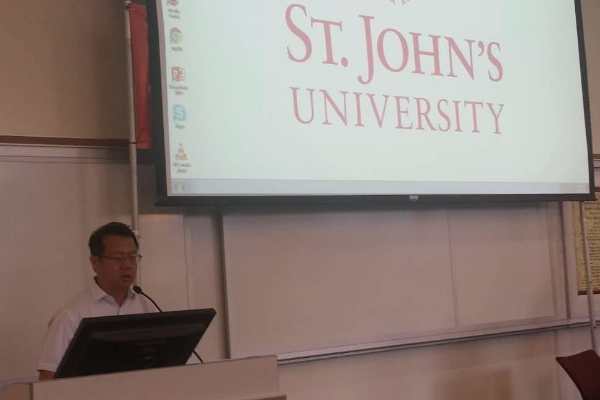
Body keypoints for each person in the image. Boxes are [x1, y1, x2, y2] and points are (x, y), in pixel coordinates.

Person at [37, 222, 156, 380]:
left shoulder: (147, 307)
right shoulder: (71, 316)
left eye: (132, 257)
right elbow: (48, 379)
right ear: (95, 263)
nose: (127, 265)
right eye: (118, 258)